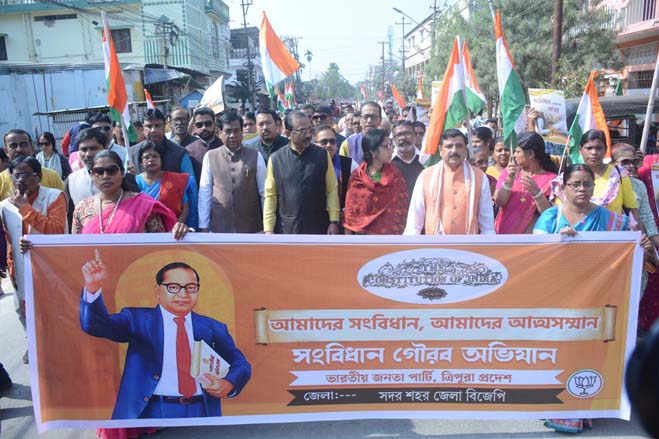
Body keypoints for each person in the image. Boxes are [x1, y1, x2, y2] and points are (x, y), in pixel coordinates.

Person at [79, 258, 251, 420]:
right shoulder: (136, 319)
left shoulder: (213, 327)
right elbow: (95, 325)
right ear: (158, 291)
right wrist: (92, 288)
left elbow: (240, 363)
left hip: (202, 410)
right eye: (174, 287)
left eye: (191, 287)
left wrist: (228, 383)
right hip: (148, 410)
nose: (183, 294)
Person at [2, 155, 67, 363]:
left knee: (51, 309)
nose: (20, 180)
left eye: (26, 175)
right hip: (19, 268)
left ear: (38, 176)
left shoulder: (54, 196)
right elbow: (8, 239)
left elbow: (56, 230)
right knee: (21, 309)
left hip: (50, 267)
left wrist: (25, 209)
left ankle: (57, 346)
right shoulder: (4, 205)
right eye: (16, 175)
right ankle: (32, 343)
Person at [71, 150, 187, 237]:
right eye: (99, 172)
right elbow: (76, 249)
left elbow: (160, 244)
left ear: (122, 172)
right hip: (94, 268)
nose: (105, 176)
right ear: (92, 175)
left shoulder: (143, 205)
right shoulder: (82, 209)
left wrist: (180, 231)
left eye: (112, 170)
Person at [404, 129, 494, 235]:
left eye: (459, 146)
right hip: (434, 247)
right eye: (449, 146)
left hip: (468, 247)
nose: (454, 151)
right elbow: (414, 222)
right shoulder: (426, 176)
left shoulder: (479, 177)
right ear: (440, 150)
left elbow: (487, 225)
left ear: (466, 150)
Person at [263, 111, 340, 235]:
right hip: (287, 228)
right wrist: (268, 229)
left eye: (310, 130)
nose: (308, 135)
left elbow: (331, 190)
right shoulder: (276, 159)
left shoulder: (322, 155)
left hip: (318, 227)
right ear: (288, 133)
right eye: (302, 131)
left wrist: (333, 221)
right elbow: (270, 196)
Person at [198, 112, 265, 233]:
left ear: (242, 132)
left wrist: (268, 227)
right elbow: (205, 193)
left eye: (236, 131)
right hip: (219, 228)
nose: (232, 135)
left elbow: (264, 193)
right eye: (228, 131)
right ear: (219, 133)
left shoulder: (256, 156)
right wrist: (204, 226)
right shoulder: (210, 156)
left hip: (252, 228)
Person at [343, 129, 409, 235]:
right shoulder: (357, 178)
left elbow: (402, 207)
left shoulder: (395, 175)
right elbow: (351, 214)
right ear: (373, 151)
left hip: (390, 239)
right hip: (362, 239)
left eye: (391, 145)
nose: (391, 150)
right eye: (386, 146)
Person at [534, 164, 629, 235]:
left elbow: (625, 251)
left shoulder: (610, 219)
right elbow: (538, 252)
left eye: (587, 184)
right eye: (576, 185)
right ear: (563, 188)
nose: (582, 189)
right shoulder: (551, 218)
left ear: (594, 187)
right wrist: (557, 240)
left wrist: (641, 245)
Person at [494, 132, 557, 234]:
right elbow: (499, 201)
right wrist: (509, 181)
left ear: (531, 154)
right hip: (504, 236)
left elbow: (549, 214)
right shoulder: (509, 171)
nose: (513, 155)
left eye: (517, 152)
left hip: (532, 240)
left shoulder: (551, 179)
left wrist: (537, 193)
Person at [573, 129, 640, 225]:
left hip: (613, 236)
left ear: (606, 149)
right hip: (581, 236)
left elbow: (632, 209)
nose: (594, 152)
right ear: (580, 149)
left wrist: (640, 235)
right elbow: (563, 211)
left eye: (599, 148)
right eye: (589, 148)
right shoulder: (571, 176)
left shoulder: (619, 175)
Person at [136, 141, 198, 229]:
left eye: (155, 156)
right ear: (141, 163)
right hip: (142, 233)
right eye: (146, 157)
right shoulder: (135, 182)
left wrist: (176, 226)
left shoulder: (175, 181)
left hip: (172, 234)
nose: (151, 160)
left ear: (161, 159)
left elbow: (185, 208)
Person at [128, 109, 195, 178]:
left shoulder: (179, 153)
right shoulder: (132, 153)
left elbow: (190, 183)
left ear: (164, 127)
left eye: (157, 126)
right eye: (149, 126)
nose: (153, 130)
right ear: (143, 128)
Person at [1, 129, 64, 200]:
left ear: (32, 148)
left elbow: (65, 205)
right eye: (13, 146)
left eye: (23, 144)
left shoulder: (52, 176)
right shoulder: (1, 180)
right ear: (6, 151)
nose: (19, 149)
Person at [314, 124, 357, 218]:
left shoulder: (349, 164)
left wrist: (347, 210)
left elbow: (359, 193)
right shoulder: (308, 165)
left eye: (332, 141)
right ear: (315, 144)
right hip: (315, 219)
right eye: (324, 142)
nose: (329, 145)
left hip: (342, 219)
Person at [185, 107, 223, 184]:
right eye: (199, 125)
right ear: (194, 127)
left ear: (215, 124)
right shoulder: (189, 151)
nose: (204, 128)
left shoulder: (225, 147)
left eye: (208, 124)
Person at [391, 120, 425, 199]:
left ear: (414, 136)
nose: (403, 138)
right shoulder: (387, 163)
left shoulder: (425, 161)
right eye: (398, 135)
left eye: (407, 133)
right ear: (394, 139)